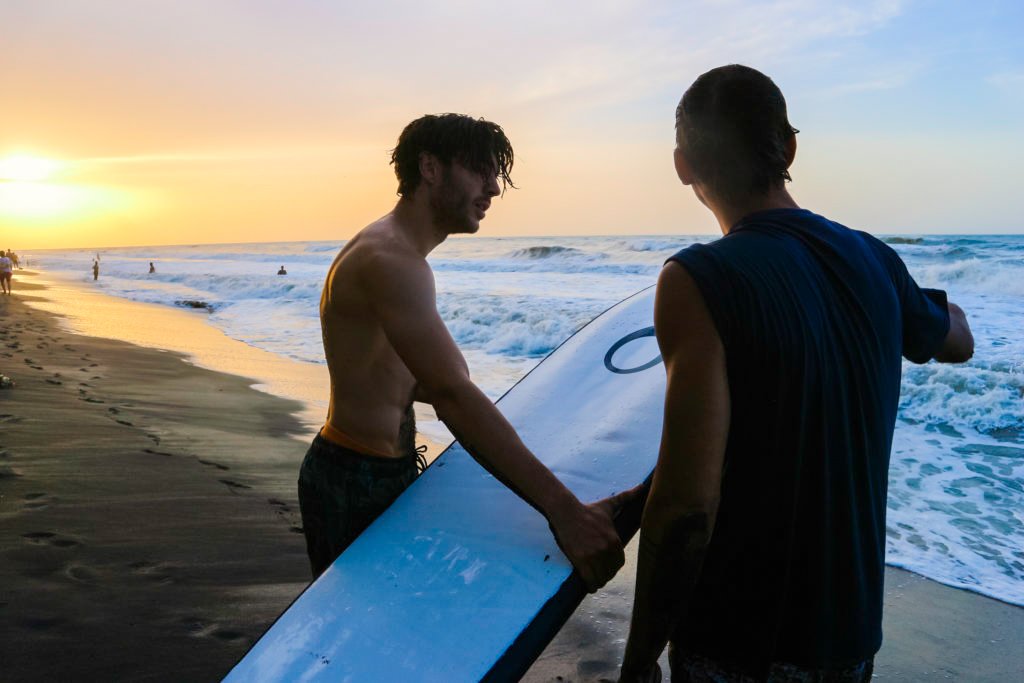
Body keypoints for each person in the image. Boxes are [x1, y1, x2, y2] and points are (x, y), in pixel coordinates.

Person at [619, 65, 974, 682]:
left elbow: (688, 505)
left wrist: (640, 656)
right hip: (850, 638)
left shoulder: (697, 279)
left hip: (737, 640)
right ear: (788, 148)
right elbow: (958, 341)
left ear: (682, 165)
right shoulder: (874, 257)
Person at [299, 113, 629, 589]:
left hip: (367, 470)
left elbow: (400, 378)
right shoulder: (390, 259)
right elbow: (450, 393)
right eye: (480, 171)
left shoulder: (390, 252)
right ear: (430, 168)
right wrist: (565, 511)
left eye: (496, 175)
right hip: (356, 481)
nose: (493, 188)